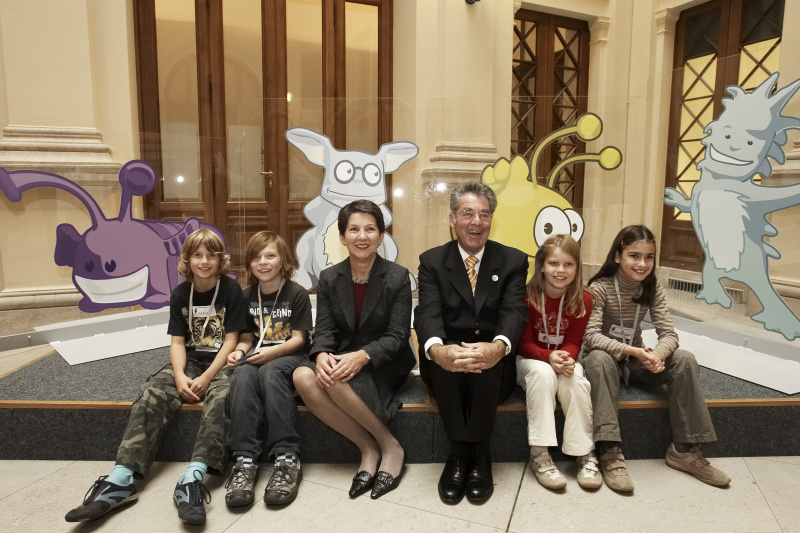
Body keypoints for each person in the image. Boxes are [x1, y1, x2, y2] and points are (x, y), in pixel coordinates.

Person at [65, 229, 247, 525]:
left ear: (220, 260)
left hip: (220, 363)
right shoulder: (179, 294)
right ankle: (120, 480)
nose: (204, 261)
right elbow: (177, 343)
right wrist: (178, 377)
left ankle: (192, 480)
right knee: (151, 393)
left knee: (224, 397)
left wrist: (208, 377)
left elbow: (230, 340)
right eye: (198, 255)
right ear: (187, 260)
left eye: (211, 255)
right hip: (188, 361)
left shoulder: (230, 290)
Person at [582, 224, 730, 492]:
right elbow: (590, 336)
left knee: (684, 358)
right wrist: (631, 351)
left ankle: (684, 450)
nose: (642, 264)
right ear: (618, 256)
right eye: (634, 256)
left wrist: (657, 354)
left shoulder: (653, 289)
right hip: (607, 362)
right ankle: (609, 451)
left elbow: (669, 335)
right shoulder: (599, 288)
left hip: (638, 361)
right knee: (599, 358)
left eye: (649, 257)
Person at [415, 181, 528, 505]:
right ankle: (458, 454)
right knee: (450, 363)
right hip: (445, 360)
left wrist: (498, 346)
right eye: (467, 213)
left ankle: (477, 455)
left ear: (491, 220)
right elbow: (428, 311)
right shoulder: (433, 261)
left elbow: (514, 311)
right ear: (452, 219)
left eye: (484, 214)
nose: (476, 222)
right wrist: (437, 349)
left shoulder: (513, 261)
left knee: (484, 363)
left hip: (495, 363)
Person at [293, 199, 415, 500]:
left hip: (386, 359)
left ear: (381, 236)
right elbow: (324, 329)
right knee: (302, 376)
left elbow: (398, 336)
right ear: (342, 237)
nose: (362, 236)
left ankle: (390, 446)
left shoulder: (398, 277)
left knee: (334, 378)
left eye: (370, 229)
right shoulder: (330, 278)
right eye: (354, 229)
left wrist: (363, 356)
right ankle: (368, 447)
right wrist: (321, 354)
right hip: (344, 353)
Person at [225, 231, 313, 507]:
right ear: (250, 263)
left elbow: (299, 340)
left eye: (270, 255)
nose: (263, 262)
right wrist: (239, 351)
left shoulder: (296, 293)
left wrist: (273, 353)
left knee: (271, 373)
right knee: (241, 375)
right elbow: (247, 338)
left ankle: (286, 456)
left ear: (283, 260)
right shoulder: (245, 295)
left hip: (290, 355)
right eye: (256, 257)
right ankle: (245, 459)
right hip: (257, 352)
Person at [517, 233, 599, 490]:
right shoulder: (525, 296)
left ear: (577, 268)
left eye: (568, 264)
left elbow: (574, 340)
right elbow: (523, 343)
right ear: (541, 265)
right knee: (543, 374)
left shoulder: (583, 299)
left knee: (575, 379)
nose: (561, 270)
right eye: (553, 263)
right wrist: (548, 357)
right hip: (529, 361)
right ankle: (540, 454)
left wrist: (567, 359)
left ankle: (583, 453)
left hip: (561, 359)